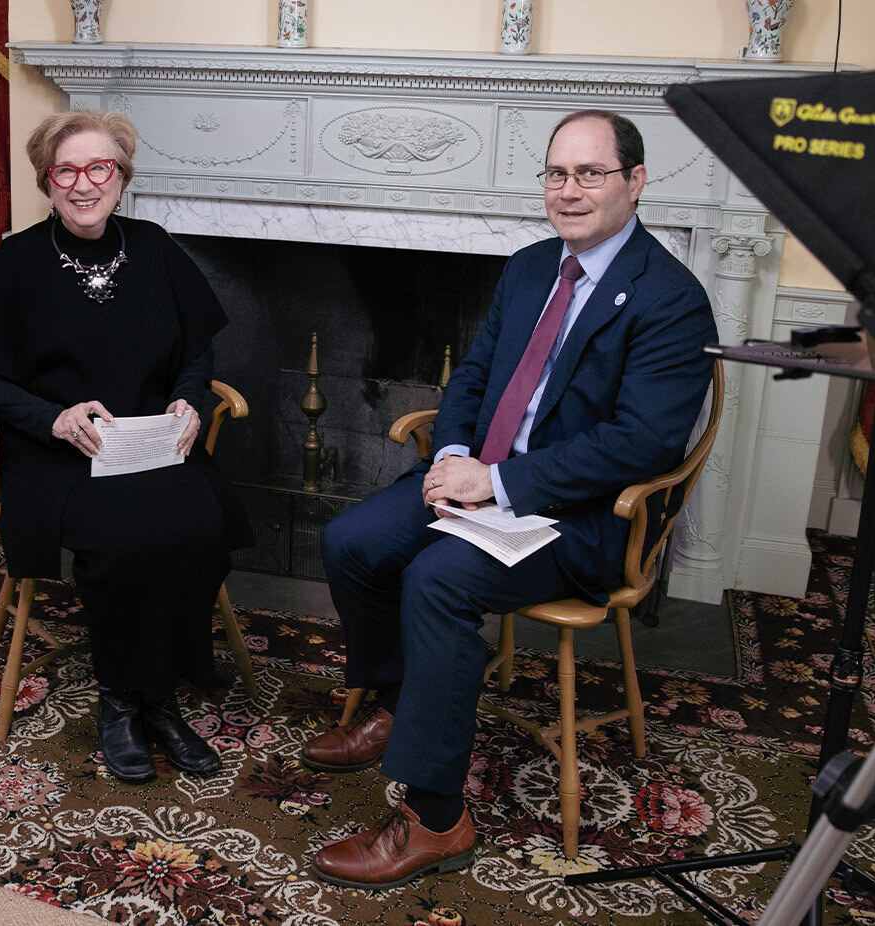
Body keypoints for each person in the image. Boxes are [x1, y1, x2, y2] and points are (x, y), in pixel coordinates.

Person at [302, 110, 718, 889]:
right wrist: (455, 452)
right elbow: (476, 374)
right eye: (556, 174)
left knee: (438, 581)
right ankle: (398, 704)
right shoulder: (531, 267)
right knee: (352, 540)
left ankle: (434, 819)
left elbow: (641, 446)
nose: (569, 191)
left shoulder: (671, 299)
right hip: (481, 481)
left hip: (579, 516)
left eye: (589, 174)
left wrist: (493, 483)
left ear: (635, 182)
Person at [0, 110, 250, 784]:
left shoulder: (155, 247)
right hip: (59, 453)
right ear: (47, 181)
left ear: (121, 177)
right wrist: (52, 417)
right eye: (67, 171)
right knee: (122, 536)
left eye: (100, 168)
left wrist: (189, 400)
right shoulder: (17, 261)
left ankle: (160, 698)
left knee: (198, 525)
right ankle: (123, 700)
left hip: (148, 441)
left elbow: (195, 352)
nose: (85, 184)